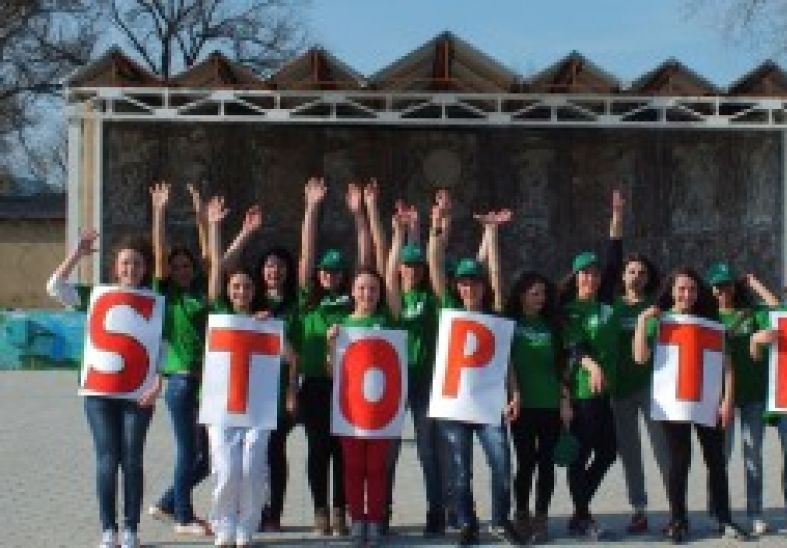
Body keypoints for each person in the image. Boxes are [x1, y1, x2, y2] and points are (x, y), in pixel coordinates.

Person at [47, 229, 161, 548]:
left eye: (137, 263)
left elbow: (163, 349)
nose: (130, 269)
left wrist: (159, 384)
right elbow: (54, 287)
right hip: (100, 393)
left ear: (145, 268)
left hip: (139, 394)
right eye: (125, 263)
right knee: (107, 460)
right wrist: (77, 254)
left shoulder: (155, 303)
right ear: (115, 268)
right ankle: (108, 529)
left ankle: (131, 529)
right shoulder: (98, 295)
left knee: (133, 460)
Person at [427, 197, 520, 546]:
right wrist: (437, 224)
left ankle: (501, 519)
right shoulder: (448, 309)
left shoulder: (494, 313)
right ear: (457, 286)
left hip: (488, 401)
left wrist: (515, 392)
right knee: (460, 471)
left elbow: (505, 358)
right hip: (454, 403)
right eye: (464, 282)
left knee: (501, 463)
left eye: (475, 282)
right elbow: (435, 262)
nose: (470, 287)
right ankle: (467, 523)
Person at [203, 196, 296, 547]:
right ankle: (223, 520)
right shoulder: (223, 316)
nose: (241, 291)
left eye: (246, 287)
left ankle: (248, 523)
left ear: (255, 291)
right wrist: (227, 229)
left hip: (258, 405)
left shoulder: (264, 320)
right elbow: (220, 265)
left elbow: (289, 356)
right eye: (235, 287)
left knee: (254, 468)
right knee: (226, 469)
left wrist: (273, 330)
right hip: (222, 403)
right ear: (229, 291)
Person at [633, 267, 748, 543]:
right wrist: (641, 321)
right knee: (679, 462)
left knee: (716, 461)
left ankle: (724, 518)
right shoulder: (659, 320)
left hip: (707, 400)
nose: (687, 294)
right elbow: (639, 357)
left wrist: (727, 400)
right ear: (671, 290)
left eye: (693, 289)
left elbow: (728, 366)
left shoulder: (709, 322)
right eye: (682, 289)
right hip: (673, 401)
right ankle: (678, 520)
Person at [364, 182, 446, 536]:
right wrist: (398, 234)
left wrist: (435, 223)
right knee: (390, 451)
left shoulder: (432, 300)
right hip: (396, 382)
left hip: (426, 380)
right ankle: (382, 512)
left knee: (428, 452)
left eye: (417, 268)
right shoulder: (393, 302)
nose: (411, 271)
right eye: (406, 268)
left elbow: (436, 257)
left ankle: (436, 511)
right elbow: (387, 269)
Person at [297, 178, 372, 535]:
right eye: (325, 271)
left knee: (343, 450)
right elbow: (306, 255)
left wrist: (360, 216)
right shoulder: (308, 300)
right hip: (313, 384)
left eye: (336, 272)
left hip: (347, 386)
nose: (329, 275)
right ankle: (320, 509)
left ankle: (342, 510)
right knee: (318, 449)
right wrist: (311, 209)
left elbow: (366, 259)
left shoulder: (351, 301)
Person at [147, 182, 211, 536]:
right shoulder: (166, 293)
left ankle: (169, 501)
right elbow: (158, 253)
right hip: (181, 382)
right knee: (188, 453)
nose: (184, 270)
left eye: (187, 266)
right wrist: (160, 211)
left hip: (206, 384)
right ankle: (184, 518)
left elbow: (208, 256)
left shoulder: (199, 292)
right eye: (178, 266)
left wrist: (202, 214)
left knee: (208, 459)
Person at [558, 190, 623, 539]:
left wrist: (616, 215)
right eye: (585, 274)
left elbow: (615, 257)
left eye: (595, 275)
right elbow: (575, 346)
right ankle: (583, 516)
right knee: (581, 455)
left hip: (604, 393)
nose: (592, 279)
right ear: (576, 276)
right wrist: (591, 365)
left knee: (608, 453)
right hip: (583, 392)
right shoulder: (568, 310)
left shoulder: (607, 303)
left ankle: (579, 513)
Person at [327, 263, 402, 547]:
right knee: (354, 467)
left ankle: (374, 520)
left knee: (377, 468)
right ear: (353, 292)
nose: (367, 294)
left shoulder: (388, 320)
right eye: (361, 288)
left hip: (381, 411)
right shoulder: (343, 325)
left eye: (372, 289)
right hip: (351, 410)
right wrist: (331, 345)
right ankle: (357, 519)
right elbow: (334, 371)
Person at [705, 262, 778, 535]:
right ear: (710, 289)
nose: (722, 290)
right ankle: (717, 512)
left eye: (727, 285)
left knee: (753, 457)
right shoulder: (707, 319)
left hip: (753, 396)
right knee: (719, 458)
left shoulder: (751, 313)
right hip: (720, 398)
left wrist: (756, 285)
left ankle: (755, 512)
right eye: (717, 286)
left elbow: (779, 311)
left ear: (734, 287)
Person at [506, 269, 569, 543]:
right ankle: (521, 516)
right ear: (521, 295)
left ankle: (541, 518)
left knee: (546, 465)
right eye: (535, 294)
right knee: (525, 463)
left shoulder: (553, 325)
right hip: (522, 406)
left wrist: (565, 402)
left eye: (544, 293)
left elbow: (563, 367)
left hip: (550, 405)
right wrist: (513, 394)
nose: (541, 298)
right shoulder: (510, 324)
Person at [610, 251, 669, 534]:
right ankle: (639, 509)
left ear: (648, 278)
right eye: (631, 271)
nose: (636, 276)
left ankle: (676, 506)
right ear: (623, 276)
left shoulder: (655, 308)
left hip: (650, 388)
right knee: (630, 453)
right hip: (618, 389)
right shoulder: (611, 306)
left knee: (663, 450)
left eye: (642, 272)